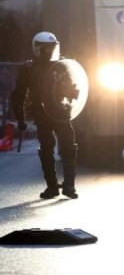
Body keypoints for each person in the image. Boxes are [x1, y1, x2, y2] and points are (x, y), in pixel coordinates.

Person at [10, 32, 79, 199]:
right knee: (47, 149)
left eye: (52, 47)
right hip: (42, 114)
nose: (49, 51)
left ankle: (69, 186)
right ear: (37, 48)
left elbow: (73, 89)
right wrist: (20, 118)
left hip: (61, 112)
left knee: (69, 147)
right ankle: (52, 186)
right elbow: (19, 94)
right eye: (46, 48)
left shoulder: (63, 65)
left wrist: (72, 96)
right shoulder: (29, 69)